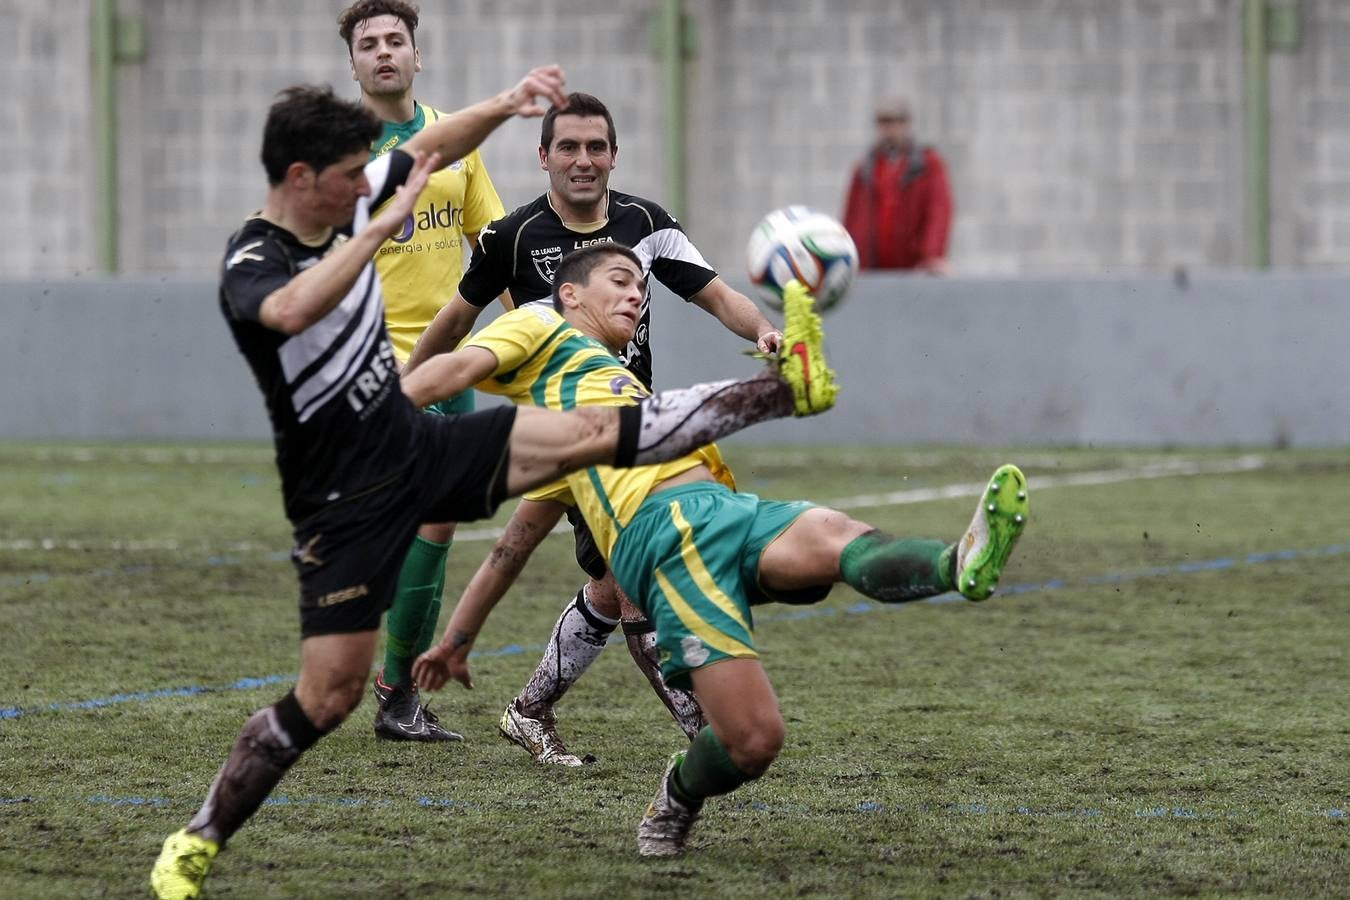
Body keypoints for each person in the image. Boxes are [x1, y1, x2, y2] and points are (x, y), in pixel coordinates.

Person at [148, 78, 838, 900]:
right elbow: (294, 311)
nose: (365, 185)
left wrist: (507, 104)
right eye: (348, 176)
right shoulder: (254, 258)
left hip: (417, 440)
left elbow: (430, 150)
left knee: (590, 435)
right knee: (328, 694)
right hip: (343, 486)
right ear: (303, 178)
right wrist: (374, 233)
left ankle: (782, 391)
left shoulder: (353, 192)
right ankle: (201, 837)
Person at [408, 245, 1029, 857]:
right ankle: (676, 796)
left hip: (723, 508)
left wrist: (455, 642)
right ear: (570, 294)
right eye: (620, 281)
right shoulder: (539, 324)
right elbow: (460, 376)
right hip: (664, 540)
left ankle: (958, 563)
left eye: (641, 288)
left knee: (836, 535)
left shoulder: (611, 387)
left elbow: (510, 549)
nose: (636, 294)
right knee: (754, 741)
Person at [405, 92, 784, 765]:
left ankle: (529, 709)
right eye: (570, 148)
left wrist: (764, 330)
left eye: (596, 148)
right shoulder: (511, 236)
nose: (584, 161)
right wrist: (406, 385)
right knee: (637, 585)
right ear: (544, 156)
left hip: (628, 429)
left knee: (599, 581)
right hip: (566, 437)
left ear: (613, 155)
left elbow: (717, 294)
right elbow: (457, 321)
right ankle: (714, 739)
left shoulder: (647, 221)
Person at [337, 0, 511, 744]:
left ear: (417, 56)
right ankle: (388, 689)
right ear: (353, 64)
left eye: (395, 40)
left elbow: (493, 245)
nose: (383, 52)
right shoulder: (339, 154)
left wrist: (546, 332)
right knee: (409, 523)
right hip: (371, 365)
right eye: (369, 43)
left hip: (447, 365)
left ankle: (397, 692)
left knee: (437, 523)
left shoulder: (457, 145)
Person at [841, 96, 954, 275]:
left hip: (914, 267)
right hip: (871, 269)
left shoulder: (928, 164)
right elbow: (851, 216)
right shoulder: (865, 168)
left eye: (896, 122)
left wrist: (932, 255)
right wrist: (846, 257)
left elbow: (938, 211)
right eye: (884, 122)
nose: (890, 129)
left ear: (906, 124)